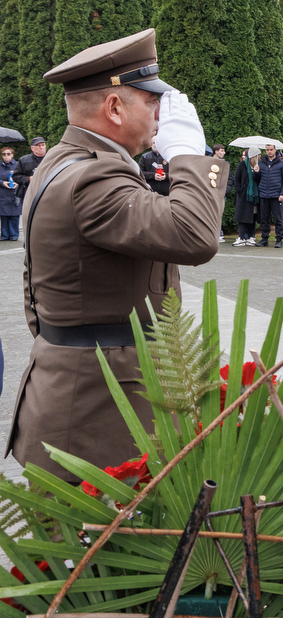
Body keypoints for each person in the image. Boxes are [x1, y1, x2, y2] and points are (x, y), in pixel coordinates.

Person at [6, 28, 227, 482]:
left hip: (80, 391)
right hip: (98, 414)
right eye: (151, 102)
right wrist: (188, 154)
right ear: (113, 107)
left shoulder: (63, 163)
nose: (160, 115)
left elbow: (36, 292)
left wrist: (63, 342)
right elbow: (195, 235)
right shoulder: (92, 178)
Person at [256, 143, 283, 248]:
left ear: (275, 150)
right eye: (267, 150)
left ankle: (279, 239)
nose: (269, 151)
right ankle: (264, 238)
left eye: (271, 149)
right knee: (264, 219)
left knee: (278, 219)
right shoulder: (261, 163)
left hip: (276, 195)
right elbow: (257, 179)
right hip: (264, 195)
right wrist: (256, 172)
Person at [232, 146, 262, 246]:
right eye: (259, 155)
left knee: (252, 217)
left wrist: (256, 172)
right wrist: (240, 191)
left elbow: (259, 180)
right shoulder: (242, 165)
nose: (260, 157)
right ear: (254, 156)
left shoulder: (259, 166)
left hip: (254, 196)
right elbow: (236, 179)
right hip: (244, 196)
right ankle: (241, 237)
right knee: (242, 217)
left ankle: (251, 237)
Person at [12, 137, 47, 207]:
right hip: (29, 195)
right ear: (32, 148)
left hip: (47, 195)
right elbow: (15, 177)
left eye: (43, 145)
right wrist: (29, 179)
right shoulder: (24, 160)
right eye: (38, 145)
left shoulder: (51, 159)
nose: (41, 147)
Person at [0, 147, 20, 240]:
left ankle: (14, 235)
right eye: (4, 154)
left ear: (12, 155)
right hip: (3, 193)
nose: (6, 156)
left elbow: (23, 176)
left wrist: (17, 182)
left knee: (14, 216)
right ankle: (4, 235)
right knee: (4, 216)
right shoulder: (0, 165)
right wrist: (2, 183)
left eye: (8, 154)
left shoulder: (18, 165)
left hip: (14, 193)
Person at [212, 144, 228, 242]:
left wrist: (227, 190)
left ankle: (219, 233)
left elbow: (229, 178)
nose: (224, 153)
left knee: (219, 213)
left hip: (222, 192)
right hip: (211, 191)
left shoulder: (226, 163)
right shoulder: (208, 162)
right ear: (216, 151)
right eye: (222, 151)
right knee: (210, 212)